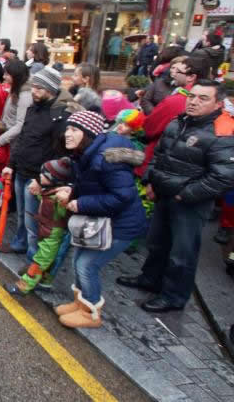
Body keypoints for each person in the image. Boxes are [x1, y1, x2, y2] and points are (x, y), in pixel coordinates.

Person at [117, 80, 234, 313]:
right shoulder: (178, 122)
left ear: (218, 103)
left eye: (203, 98)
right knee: (157, 243)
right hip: (165, 194)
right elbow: (158, 154)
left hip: (190, 202)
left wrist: (186, 194)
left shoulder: (223, 133)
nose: (194, 101)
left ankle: (173, 297)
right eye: (192, 96)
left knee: (182, 253)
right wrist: (150, 180)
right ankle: (150, 279)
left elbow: (223, 177)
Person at [53, 111, 147, 328]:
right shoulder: (83, 153)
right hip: (104, 220)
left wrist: (81, 204)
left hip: (121, 225)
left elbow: (122, 196)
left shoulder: (106, 159)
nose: (67, 134)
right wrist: (71, 191)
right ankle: (81, 304)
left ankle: (91, 313)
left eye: (74, 130)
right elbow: (90, 184)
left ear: (88, 134)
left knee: (87, 264)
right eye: (68, 128)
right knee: (79, 260)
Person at [0, 66, 74, 258]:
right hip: (22, 170)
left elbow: (59, 154)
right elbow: (23, 138)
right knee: (23, 216)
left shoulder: (60, 117)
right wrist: (10, 164)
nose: (34, 91)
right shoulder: (33, 108)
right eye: (34, 87)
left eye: (39, 88)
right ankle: (20, 243)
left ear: (51, 90)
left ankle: (33, 259)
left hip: (38, 177)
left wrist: (42, 180)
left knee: (34, 221)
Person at [6, 157, 73, 296]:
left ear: (53, 179)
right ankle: (45, 283)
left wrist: (66, 200)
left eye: (44, 174)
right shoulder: (49, 192)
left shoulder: (59, 198)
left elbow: (63, 214)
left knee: (39, 262)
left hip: (52, 235)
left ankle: (22, 287)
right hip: (46, 231)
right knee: (46, 261)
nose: (40, 176)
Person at [135, 56, 208, 178]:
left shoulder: (178, 100)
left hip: (163, 163)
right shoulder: (216, 101)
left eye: (178, 71)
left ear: (191, 77)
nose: (172, 73)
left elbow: (150, 128)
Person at [0, 59, 32, 152]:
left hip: (14, 143)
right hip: (8, 139)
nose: (4, 76)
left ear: (16, 76)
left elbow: (20, 125)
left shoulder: (24, 96)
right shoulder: (15, 89)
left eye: (7, 74)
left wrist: (0, 141)